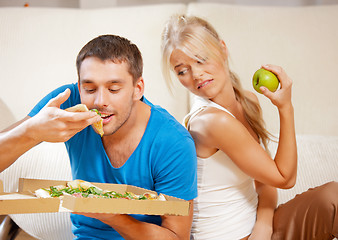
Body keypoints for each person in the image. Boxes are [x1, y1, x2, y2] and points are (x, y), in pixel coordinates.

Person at [0, 34, 198, 239]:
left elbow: (177, 236)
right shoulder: (67, 102)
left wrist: (112, 215)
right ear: (79, 87)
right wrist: (30, 131)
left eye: (114, 89)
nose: (100, 101)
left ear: (137, 89)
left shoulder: (172, 142)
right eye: (90, 89)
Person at [161, 15, 338, 240]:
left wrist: (263, 226)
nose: (196, 74)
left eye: (201, 59)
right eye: (182, 71)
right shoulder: (212, 122)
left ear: (222, 49)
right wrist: (286, 108)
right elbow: (284, 178)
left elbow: (264, 182)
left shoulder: (247, 101)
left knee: (333, 197)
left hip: (256, 230)